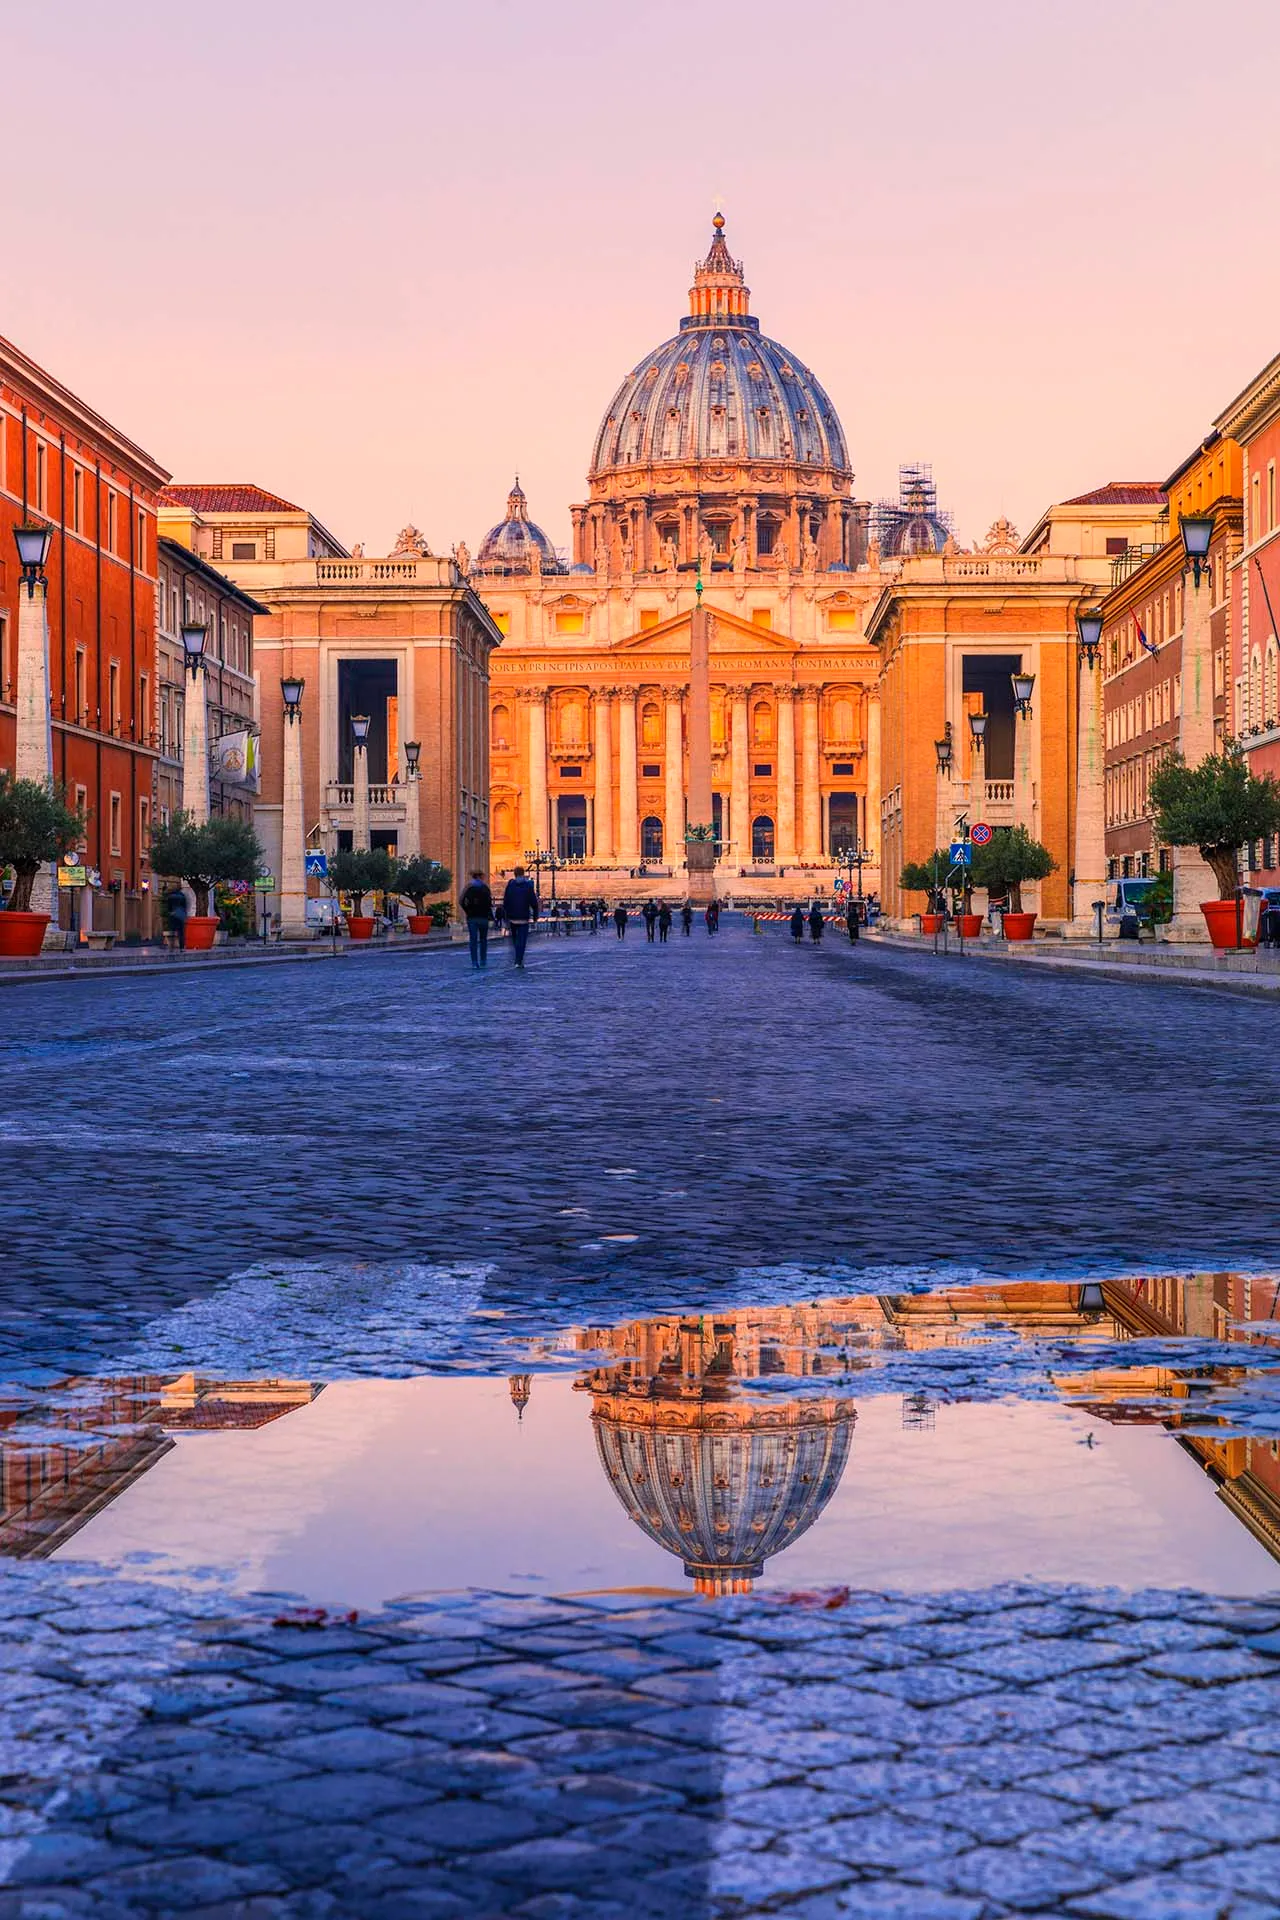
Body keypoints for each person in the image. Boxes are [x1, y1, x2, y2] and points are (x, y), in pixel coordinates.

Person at [501, 866, 539, 968]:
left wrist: (506, 917)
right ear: (523, 873)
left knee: (515, 940)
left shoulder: (510, 886)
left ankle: (518, 958)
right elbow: (534, 903)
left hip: (512, 918)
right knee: (522, 941)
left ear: (514, 874)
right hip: (523, 919)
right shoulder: (528, 886)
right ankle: (518, 960)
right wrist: (535, 917)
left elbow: (505, 903)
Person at [459, 870, 494, 970]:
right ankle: (483, 960)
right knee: (483, 940)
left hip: (472, 918)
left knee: (473, 941)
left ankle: (474, 962)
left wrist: (467, 911)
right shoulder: (485, 888)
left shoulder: (468, 888)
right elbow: (489, 903)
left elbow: (461, 901)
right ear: (480, 877)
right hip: (483, 918)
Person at [165, 884, 188, 952]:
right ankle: (182, 947)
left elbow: (168, 906)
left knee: (172, 931)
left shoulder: (170, 896)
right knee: (181, 932)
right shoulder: (182, 896)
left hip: (173, 914)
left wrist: (170, 912)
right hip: (181, 915)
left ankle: (171, 947)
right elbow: (185, 906)